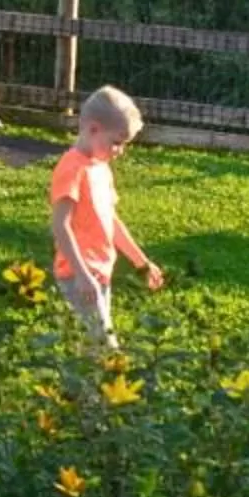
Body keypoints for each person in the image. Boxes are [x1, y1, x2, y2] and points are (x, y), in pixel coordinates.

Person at [48, 86, 161, 346]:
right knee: (104, 346)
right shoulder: (72, 168)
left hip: (100, 272)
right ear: (93, 129)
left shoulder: (100, 168)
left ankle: (82, 386)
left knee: (91, 344)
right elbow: (60, 225)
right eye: (117, 142)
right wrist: (81, 274)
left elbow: (111, 221)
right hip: (78, 274)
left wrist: (141, 262)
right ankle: (107, 384)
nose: (119, 151)